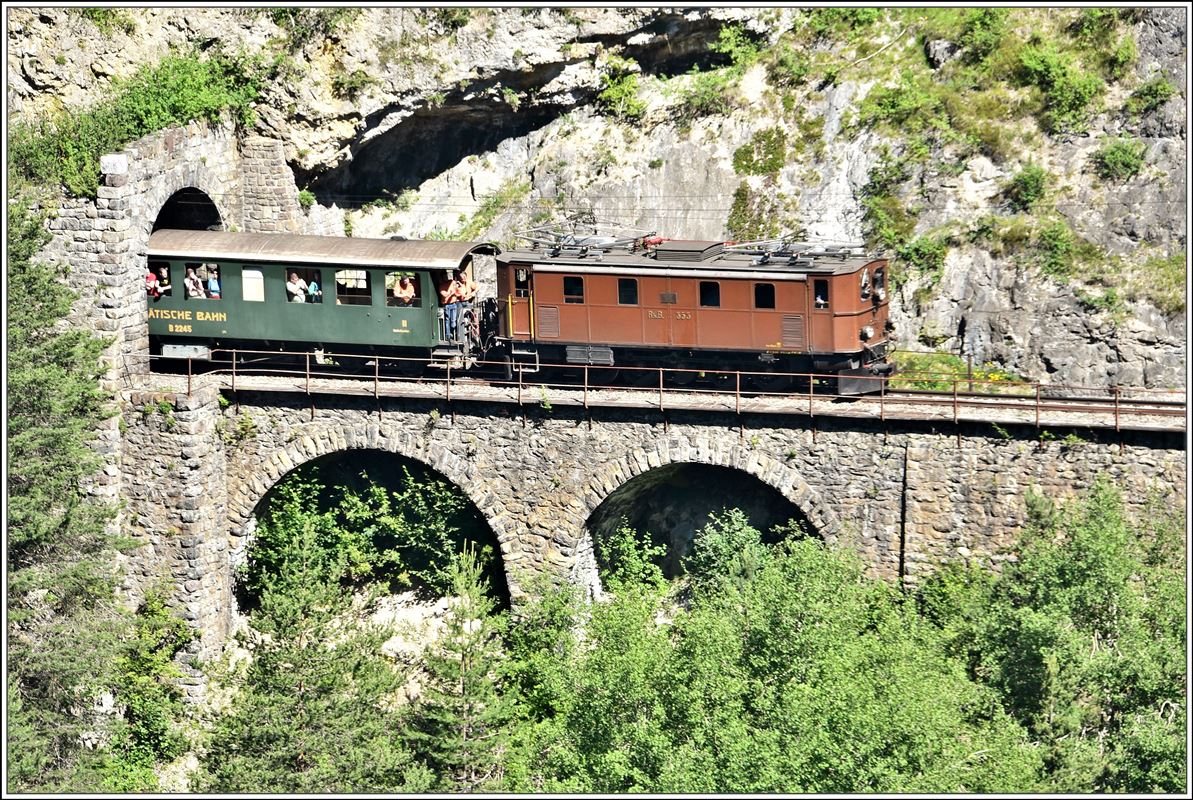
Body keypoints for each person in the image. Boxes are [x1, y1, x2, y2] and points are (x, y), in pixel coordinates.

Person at [439, 270, 462, 340]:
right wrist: (451, 294)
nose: (446, 277)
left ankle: (454, 332)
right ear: (442, 277)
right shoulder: (441, 286)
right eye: (444, 276)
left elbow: (458, 289)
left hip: (454, 304)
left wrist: (458, 286)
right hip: (447, 305)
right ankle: (448, 335)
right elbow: (445, 296)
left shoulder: (452, 282)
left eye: (446, 276)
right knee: (447, 320)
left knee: (453, 321)